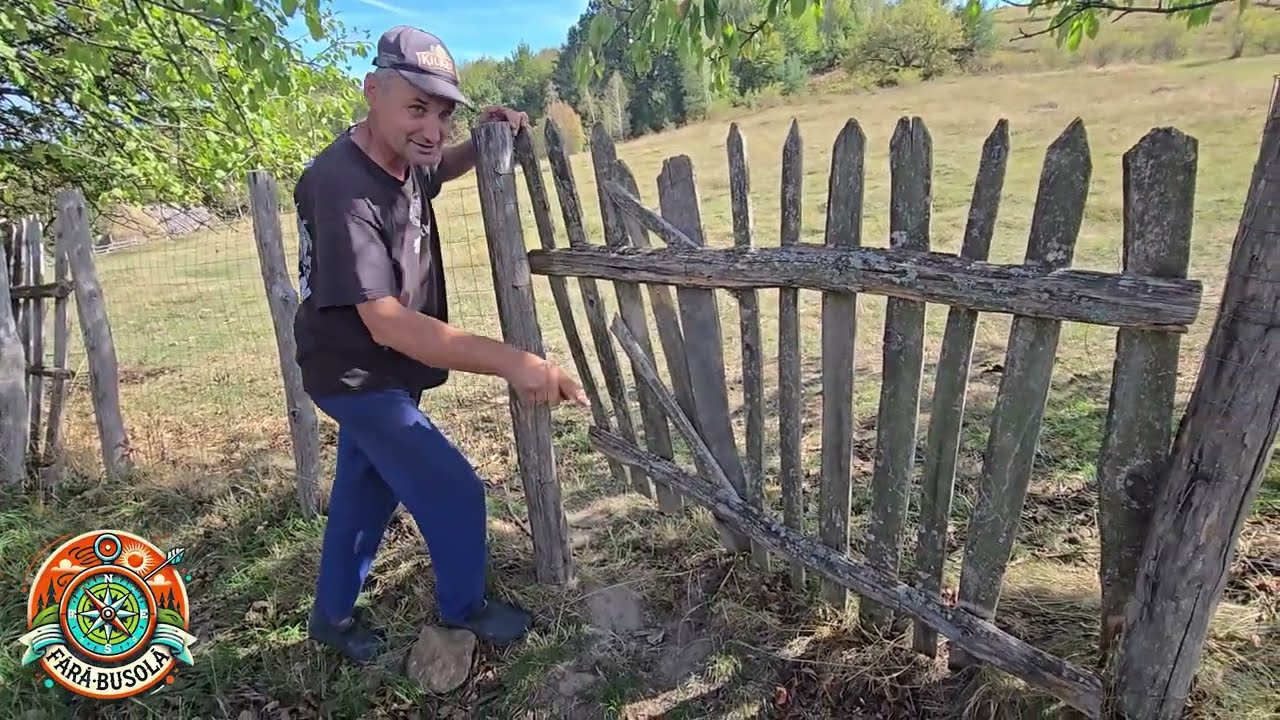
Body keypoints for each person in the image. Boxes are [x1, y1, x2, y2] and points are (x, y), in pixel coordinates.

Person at [290, 24, 588, 663]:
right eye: (416, 108)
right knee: (452, 488)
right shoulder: (341, 188)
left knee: (366, 489)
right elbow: (390, 323)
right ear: (373, 91)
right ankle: (465, 608)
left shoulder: (399, 156)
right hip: (355, 373)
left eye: (445, 113)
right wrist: (515, 361)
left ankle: (332, 617)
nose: (432, 128)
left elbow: (436, 168)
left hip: (381, 369)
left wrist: (485, 139)